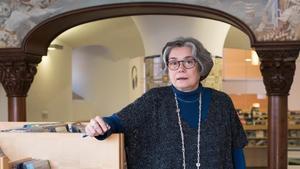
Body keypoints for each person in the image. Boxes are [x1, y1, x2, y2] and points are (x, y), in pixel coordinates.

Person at [85, 37, 248, 169]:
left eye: (188, 62)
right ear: (168, 69)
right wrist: (100, 125)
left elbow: (236, 149)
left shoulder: (222, 102)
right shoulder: (154, 100)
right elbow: (118, 122)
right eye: (174, 62)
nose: (180, 68)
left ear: (201, 66)